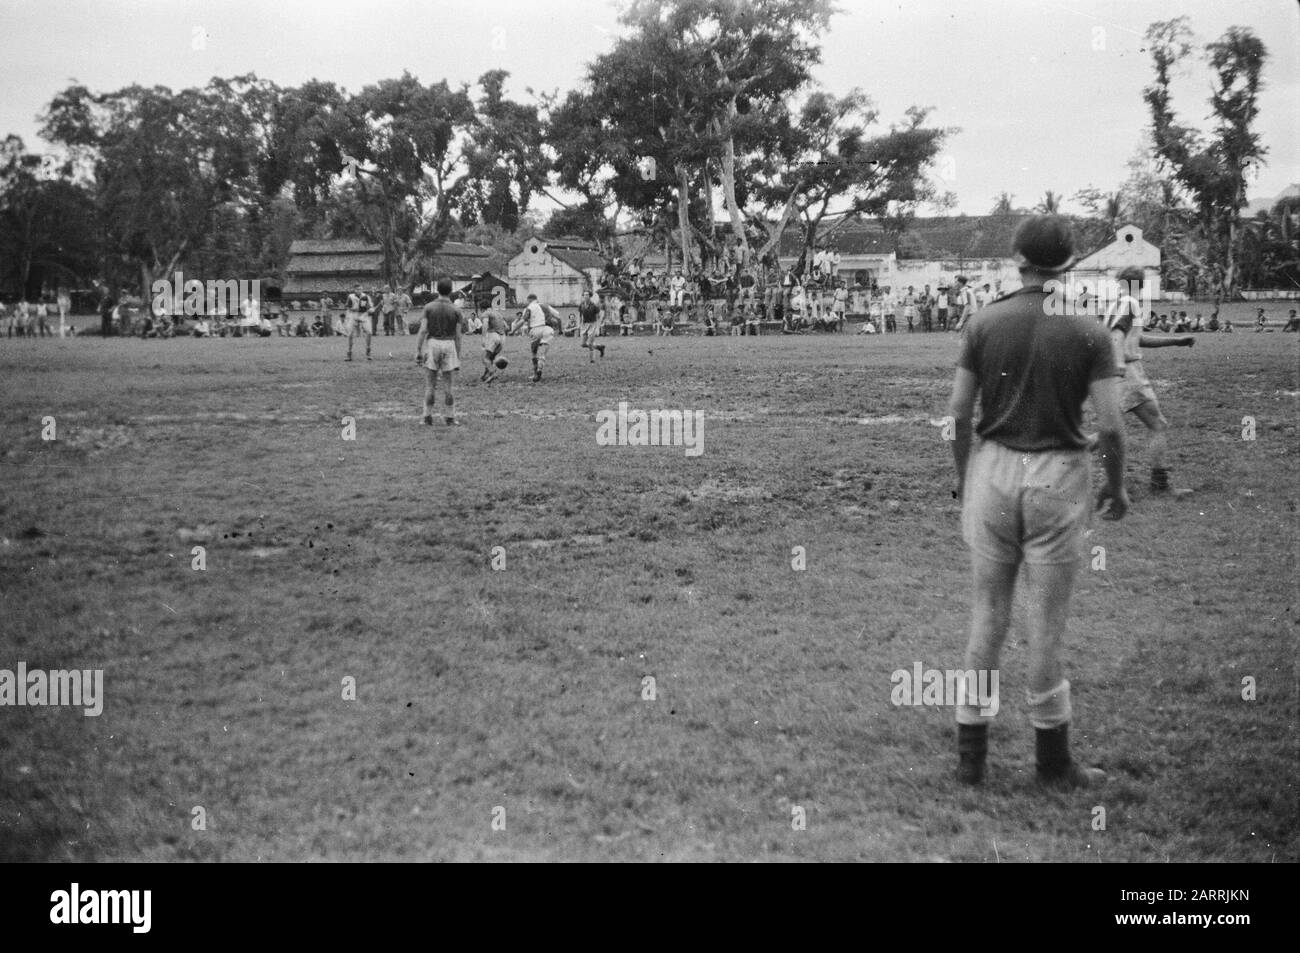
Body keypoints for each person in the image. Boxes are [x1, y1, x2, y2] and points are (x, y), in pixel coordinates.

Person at [947, 213, 1127, 790]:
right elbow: (1115, 428)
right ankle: (1052, 762)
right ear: (1070, 263)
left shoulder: (984, 320)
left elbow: (957, 416)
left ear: (1017, 258)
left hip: (994, 466)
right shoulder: (1089, 330)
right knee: (1045, 627)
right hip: (1057, 471)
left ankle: (970, 758)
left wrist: (965, 477)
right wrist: (1117, 486)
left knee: (987, 616)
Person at [1103, 265, 1194, 494]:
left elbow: (1136, 338)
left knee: (1110, 429)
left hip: (1113, 373)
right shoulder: (1131, 304)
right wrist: (1120, 364)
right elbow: (1117, 335)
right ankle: (1160, 485)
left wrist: (1176, 341)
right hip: (1128, 373)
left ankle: (1065, 451)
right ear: (1142, 285)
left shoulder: (1115, 304)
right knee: (1157, 424)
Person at [415, 278, 467, 425]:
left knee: (430, 384)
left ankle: (427, 417)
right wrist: (458, 356)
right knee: (448, 385)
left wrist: (418, 349)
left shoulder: (429, 307)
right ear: (451, 291)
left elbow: (423, 330)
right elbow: (458, 336)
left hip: (433, 344)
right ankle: (450, 417)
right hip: (449, 344)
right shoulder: (457, 310)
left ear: (437, 289)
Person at [511, 293, 554, 383]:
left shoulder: (529, 307)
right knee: (542, 354)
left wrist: (513, 330)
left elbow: (523, 320)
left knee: (534, 353)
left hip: (535, 330)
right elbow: (556, 318)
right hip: (547, 330)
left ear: (529, 300)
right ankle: (539, 370)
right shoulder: (544, 306)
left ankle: (535, 373)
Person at [479, 303, 509, 383]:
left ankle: (492, 373)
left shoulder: (485, 313)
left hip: (493, 335)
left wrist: (483, 337)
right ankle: (487, 374)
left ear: (481, 308)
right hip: (502, 337)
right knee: (491, 357)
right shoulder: (498, 314)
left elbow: (485, 324)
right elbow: (506, 327)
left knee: (485, 358)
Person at [344, 284, 372, 361]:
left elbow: (369, 306)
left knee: (369, 332)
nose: (359, 291)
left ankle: (368, 351)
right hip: (353, 315)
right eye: (357, 289)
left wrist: (370, 309)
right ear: (354, 290)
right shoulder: (351, 297)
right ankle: (349, 354)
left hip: (363, 315)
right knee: (350, 334)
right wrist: (353, 309)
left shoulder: (366, 296)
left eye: (360, 289)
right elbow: (347, 306)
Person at [578, 291, 604, 362]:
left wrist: (598, 326)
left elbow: (599, 316)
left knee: (590, 343)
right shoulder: (581, 305)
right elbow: (580, 315)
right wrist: (579, 324)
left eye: (587, 295)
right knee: (583, 344)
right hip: (585, 325)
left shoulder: (594, 305)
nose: (585, 296)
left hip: (593, 324)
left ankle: (592, 359)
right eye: (584, 295)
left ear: (590, 296)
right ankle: (599, 347)